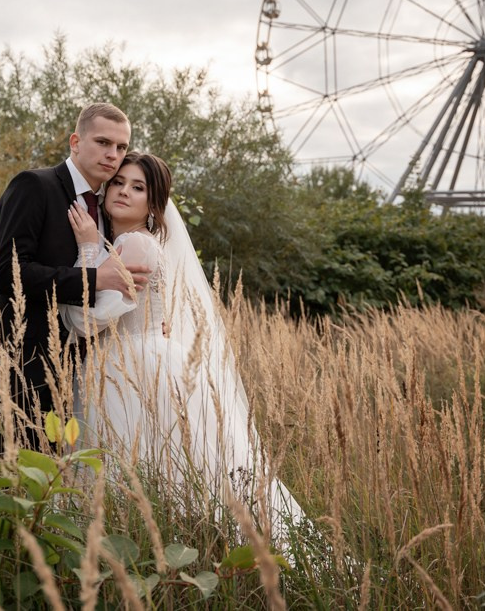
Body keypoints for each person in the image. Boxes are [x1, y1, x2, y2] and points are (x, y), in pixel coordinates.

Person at [63, 152, 305, 542]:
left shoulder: (136, 245)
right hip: (127, 360)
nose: (124, 191)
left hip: (134, 366)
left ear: (154, 205)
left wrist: (89, 248)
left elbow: (84, 320)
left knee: (147, 467)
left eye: (138, 188)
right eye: (119, 182)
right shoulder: (124, 242)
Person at [0, 102, 152, 448]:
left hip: (80, 375)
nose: (113, 154)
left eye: (121, 147)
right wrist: (95, 281)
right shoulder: (35, 185)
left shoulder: (108, 206)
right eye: (103, 143)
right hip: (23, 365)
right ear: (75, 142)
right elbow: (7, 274)